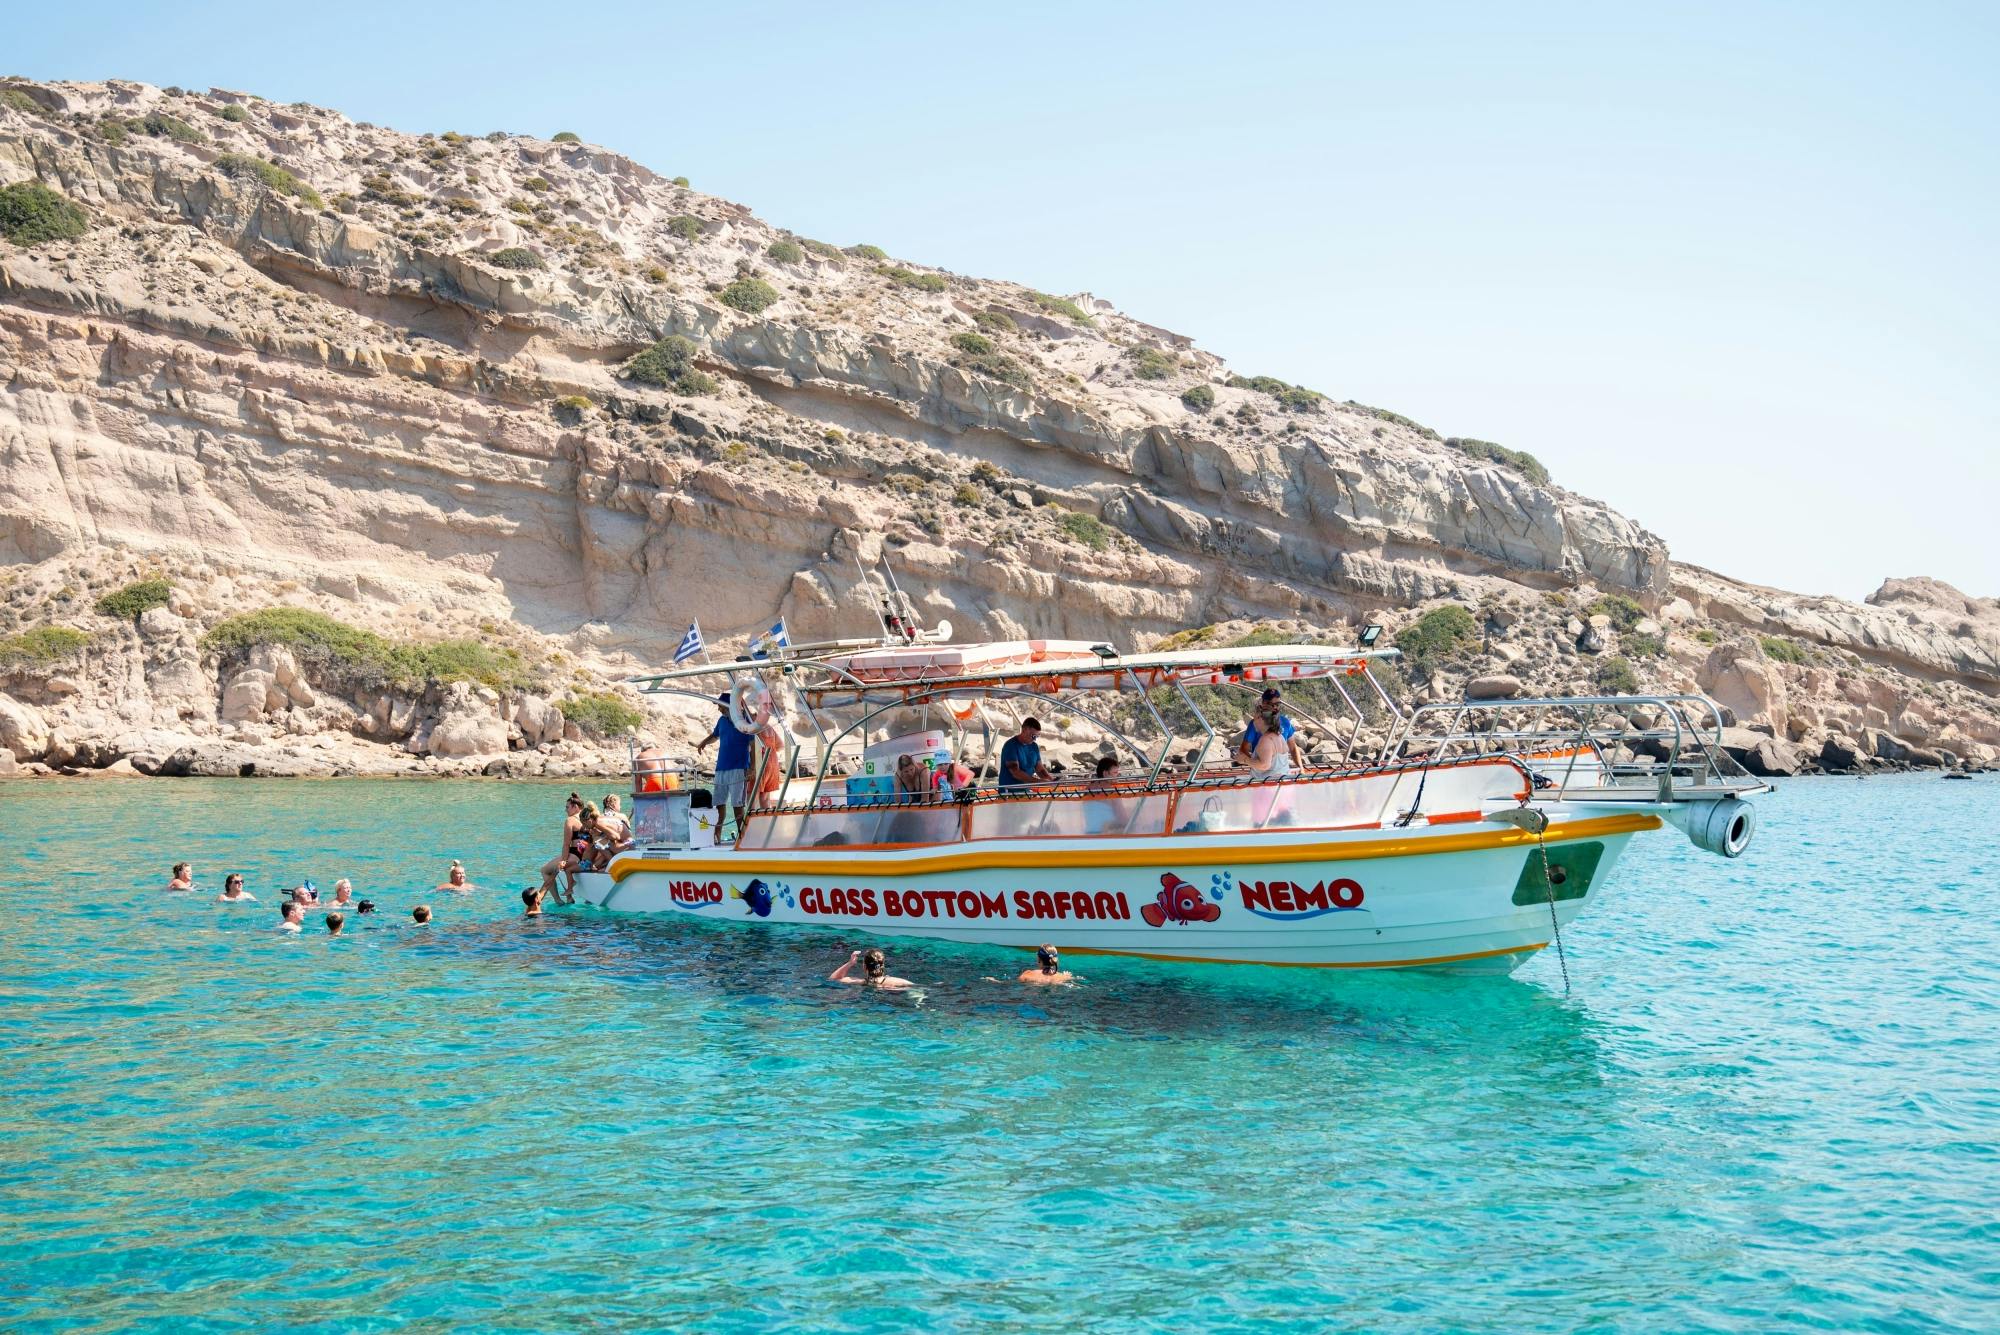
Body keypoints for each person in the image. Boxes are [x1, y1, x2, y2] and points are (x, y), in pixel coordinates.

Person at [695, 693, 753, 835]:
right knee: (719, 803)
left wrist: (753, 768)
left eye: (720, 705)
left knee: (737, 805)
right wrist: (703, 742)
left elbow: (753, 744)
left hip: (739, 767)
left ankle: (743, 837)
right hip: (721, 768)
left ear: (728, 705)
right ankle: (717, 836)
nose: (719, 709)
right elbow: (715, 735)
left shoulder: (744, 721)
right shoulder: (721, 721)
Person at [1237, 689, 1304, 772]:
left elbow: (1293, 748)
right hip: (1279, 774)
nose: (1275, 707)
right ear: (1263, 703)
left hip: (1267, 777)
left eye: (1277, 704)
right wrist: (1255, 764)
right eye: (1270, 704)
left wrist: (1301, 768)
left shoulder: (1284, 723)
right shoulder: (1275, 735)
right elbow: (1244, 748)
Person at [540, 793, 585, 903]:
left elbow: (566, 844)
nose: (566, 810)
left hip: (575, 854)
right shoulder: (587, 817)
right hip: (585, 854)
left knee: (545, 870)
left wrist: (564, 861)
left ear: (575, 807)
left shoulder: (570, 820)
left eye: (567, 807)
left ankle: (558, 901)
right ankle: (569, 898)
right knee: (561, 867)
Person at [998, 717, 1051, 792]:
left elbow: (1040, 769)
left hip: (1025, 791)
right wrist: (1038, 782)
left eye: (1037, 736)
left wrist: (1051, 780)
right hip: (1008, 793)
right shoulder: (1011, 746)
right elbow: (1015, 773)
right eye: (1033, 736)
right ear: (1024, 729)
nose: (1035, 739)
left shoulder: (1034, 746)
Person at [830, 947, 913, 991]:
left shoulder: (859, 982)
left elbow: (833, 978)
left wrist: (850, 963)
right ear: (882, 965)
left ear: (864, 967)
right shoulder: (895, 981)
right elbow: (918, 988)